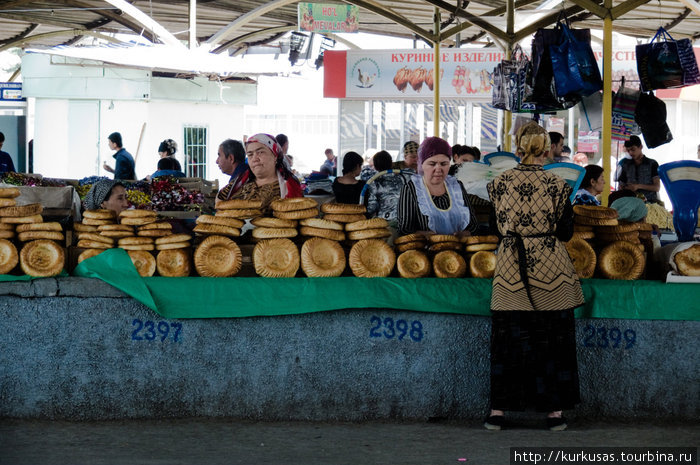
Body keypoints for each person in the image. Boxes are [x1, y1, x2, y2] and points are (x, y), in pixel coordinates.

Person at [485, 121, 584, 432]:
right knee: (552, 339)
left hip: (510, 268)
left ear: (518, 146)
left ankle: (498, 413)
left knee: (508, 339)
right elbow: (566, 232)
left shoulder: (498, 183)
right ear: (546, 149)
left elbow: (494, 228)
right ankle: (554, 413)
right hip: (551, 270)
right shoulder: (557, 185)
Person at [397, 137, 477, 236]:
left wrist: (465, 234)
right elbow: (405, 229)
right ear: (422, 165)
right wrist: (424, 235)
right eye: (432, 164)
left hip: (459, 248)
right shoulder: (411, 189)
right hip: (424, 249)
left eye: (444, 164)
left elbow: (473, 224)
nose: (438, 169)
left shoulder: (457, 186)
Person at [228, 133, 303, 212]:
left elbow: (299, 215)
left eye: (260, 152)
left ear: (275, 156)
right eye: (250, 154)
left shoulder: (290, 185)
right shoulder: (238, 183)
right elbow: (220, 203)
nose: (255, 159)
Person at [366, 150, 410, 224]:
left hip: (385, 221)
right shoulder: (404, 177)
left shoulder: (374, 181)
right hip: (405, 219)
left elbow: (372, 206)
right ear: (391, 163)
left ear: (376, 166)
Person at [617, 135, 660, 202]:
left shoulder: (652, 163)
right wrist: (625, 188)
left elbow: (657, 187)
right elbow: (621, 186)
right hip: (630, 203)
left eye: (633, 149)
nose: (630, 153)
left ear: (641, 147)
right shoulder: (625, 164)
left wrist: (638, 186)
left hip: (650, 203)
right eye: (628, 150)